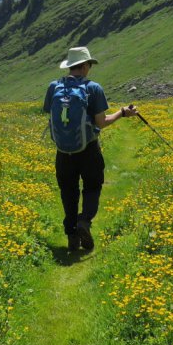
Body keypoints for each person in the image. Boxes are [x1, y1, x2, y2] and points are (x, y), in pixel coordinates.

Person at [42, 46, 137, 252]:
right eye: (89, 65)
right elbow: (101, 122)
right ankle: (84, 221)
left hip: (63, 151)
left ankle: (71, 236)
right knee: (92, 187)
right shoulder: (93, 88)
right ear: (85, 65)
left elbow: (51, 115)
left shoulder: (54, 87)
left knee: (68, 191)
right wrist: (122, 113)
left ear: (69, 66)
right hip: (89, 149)